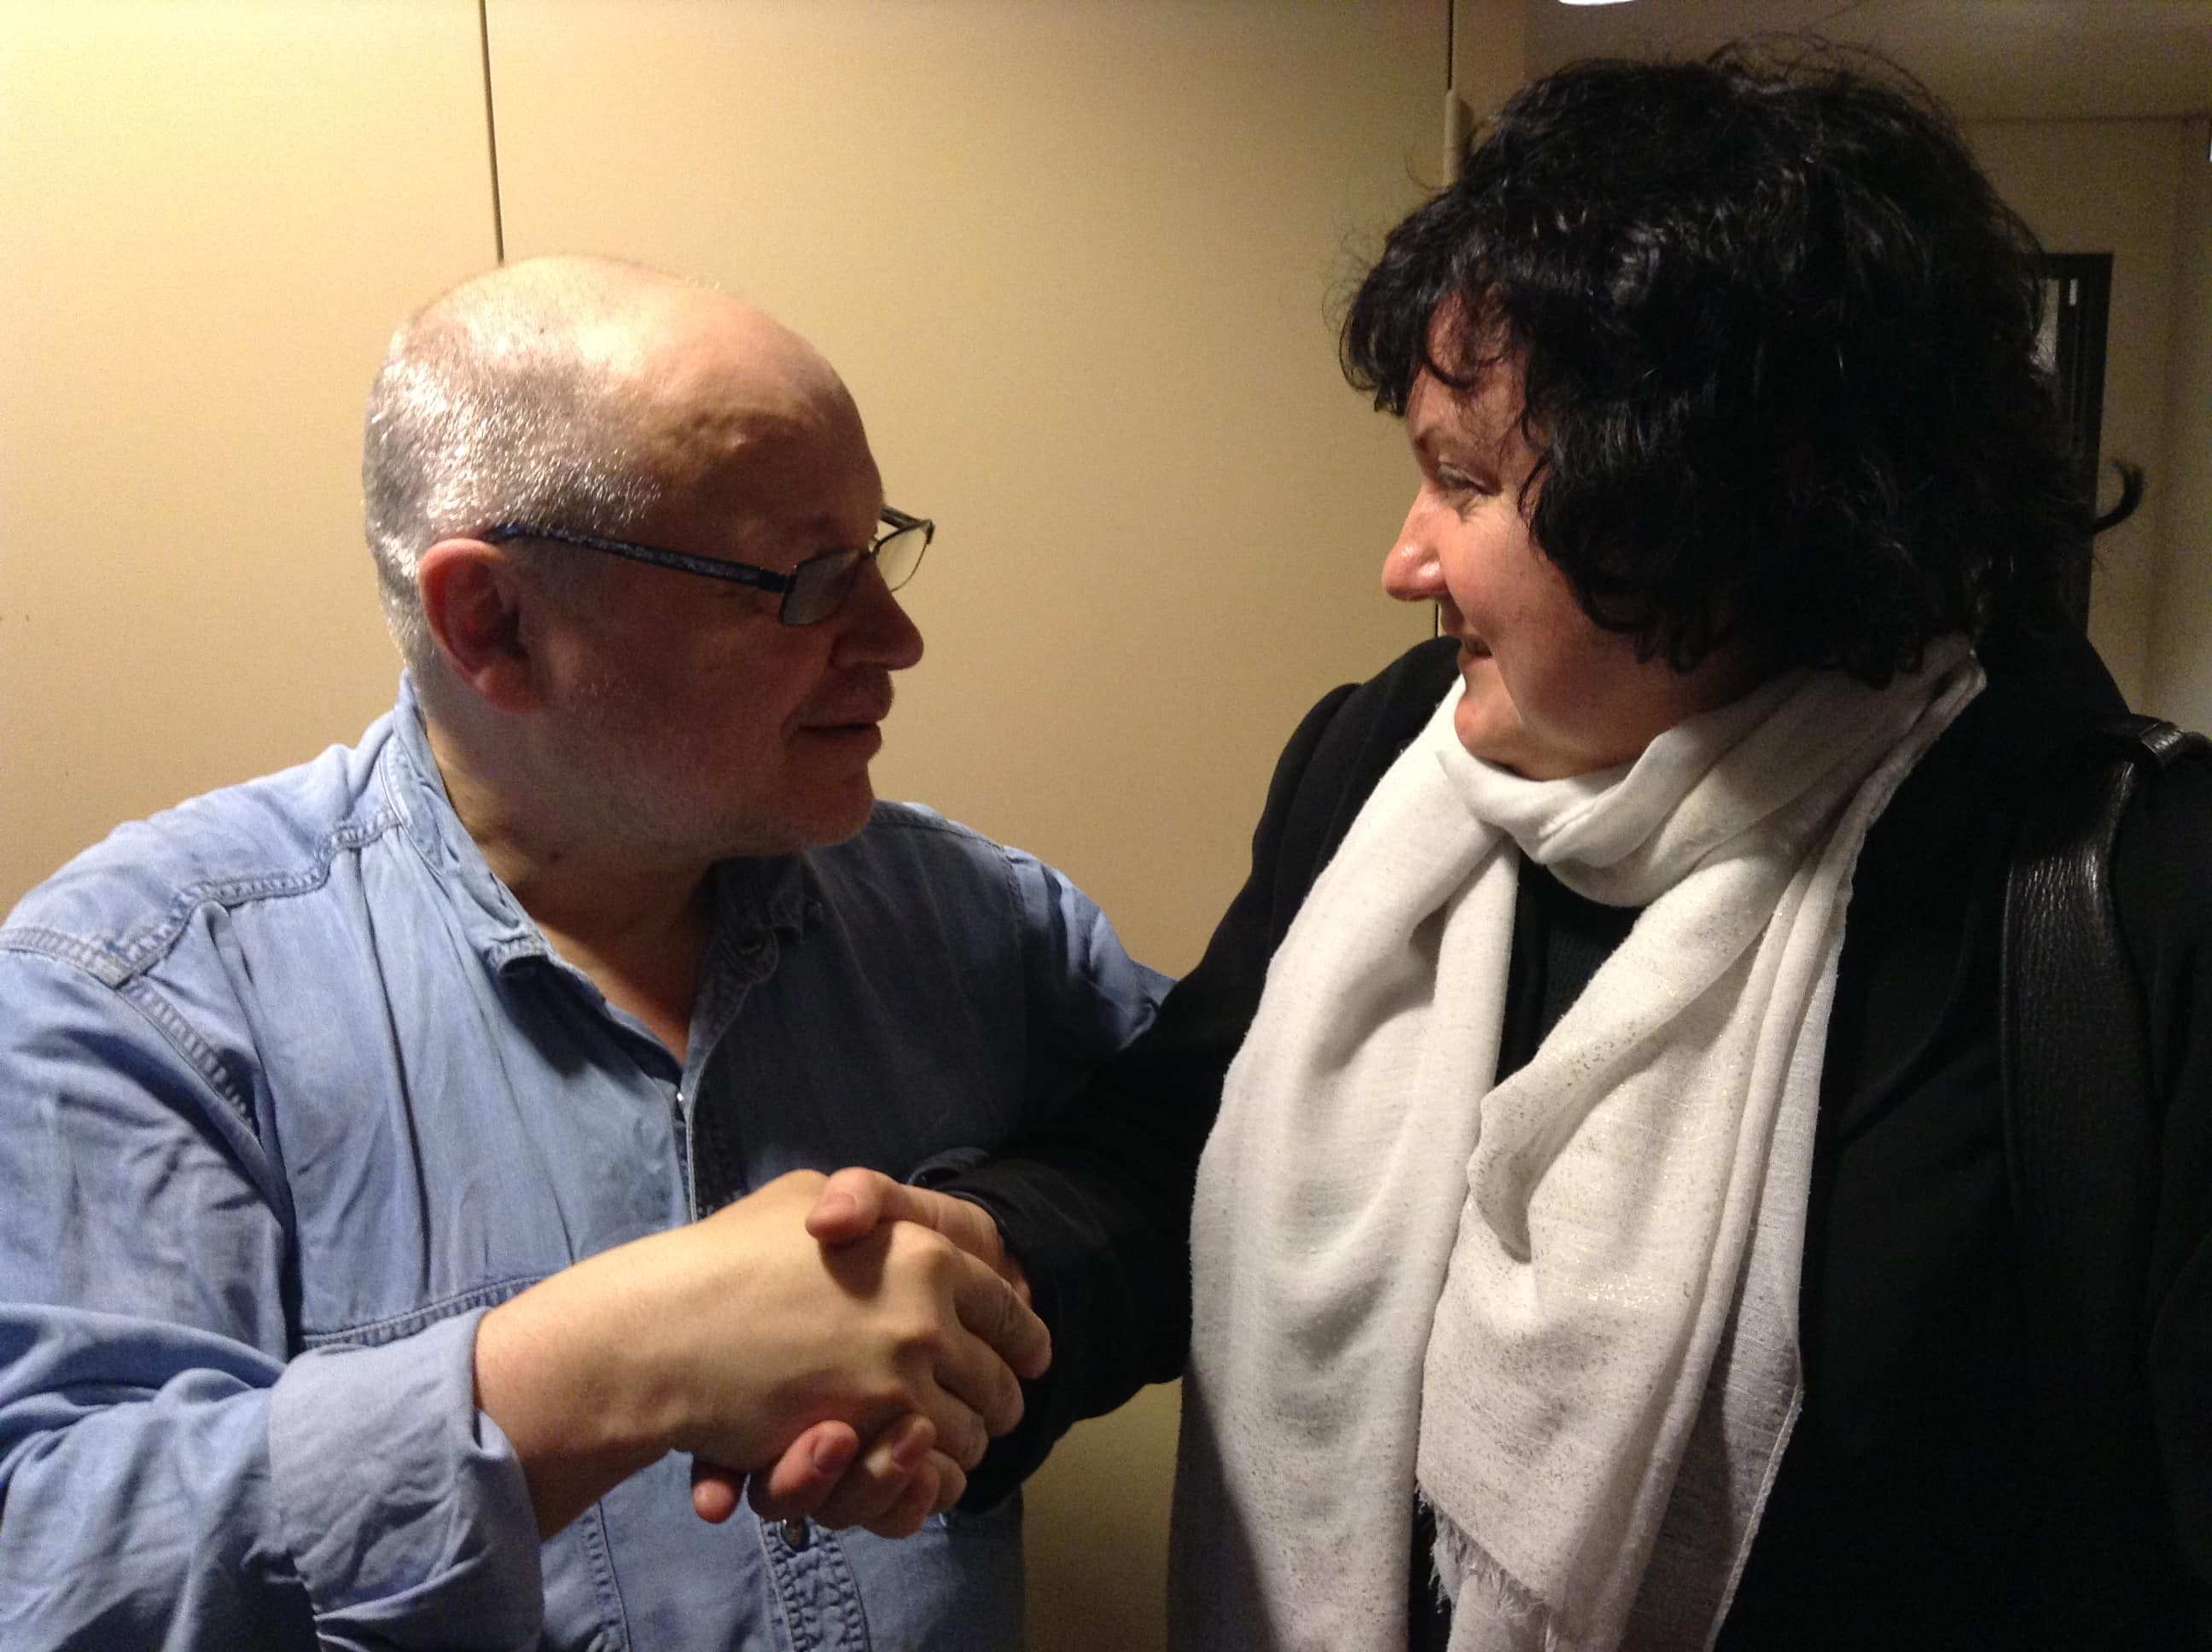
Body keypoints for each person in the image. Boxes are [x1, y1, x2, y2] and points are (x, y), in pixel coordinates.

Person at [812, 47, 2212, 1649]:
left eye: (1462, 481)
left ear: (1708, 507)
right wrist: (980, 1286)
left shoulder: (2116, 900)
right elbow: (1179, 1137)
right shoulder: (1386, 761)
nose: (1403, 555)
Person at [0, 255, 1166, 1649]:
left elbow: (1227, 1182)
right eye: (804, 583)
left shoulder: (981, 924)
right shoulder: (141, 991)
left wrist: (1003, 1266)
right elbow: (50, 1567)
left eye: (879, 550)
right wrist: (603, 1369)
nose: (896, 637)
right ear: (493, 623)